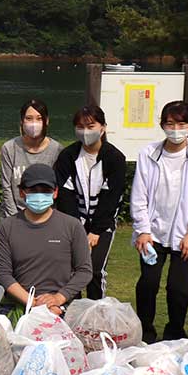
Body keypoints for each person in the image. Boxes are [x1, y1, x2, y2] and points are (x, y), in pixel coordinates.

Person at [130, 100, 188, 341]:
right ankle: (145, 332)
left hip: (186, 235)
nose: (176, 129)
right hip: (153, 232)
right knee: (148, 283)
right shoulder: (148, 153)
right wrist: (143, 230)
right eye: (170, 124)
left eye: (181, 123)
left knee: (177, 288)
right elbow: (139, 195)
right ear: (162, 125)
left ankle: (175, 334)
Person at [0, 164, 93, 317]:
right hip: (19, 305)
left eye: (46, 191)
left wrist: (58, 299)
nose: (39, 195)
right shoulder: (6, 227)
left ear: (55, 192)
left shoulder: (72, 226)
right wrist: (34, 304)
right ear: (21, 192)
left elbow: (84, 271)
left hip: (62, 306)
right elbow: (3, 274)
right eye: (33, 190)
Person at [54, 105, 127, 299]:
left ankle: (96, 311)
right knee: (71, 270)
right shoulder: (67, 156)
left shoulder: (115, 158)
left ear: (102, 127)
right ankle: (71, 311)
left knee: (94, 270)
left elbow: (111, 198)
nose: (85, 131)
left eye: (90, 125)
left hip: (102, 226)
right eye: (80, 126)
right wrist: (77, 229)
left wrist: (95, 231)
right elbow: (65, 195)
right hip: (73, 224)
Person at [0, 99, 63, 218]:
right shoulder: (9, 148)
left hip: (47, 215)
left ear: (46, 121)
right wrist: (14, 219)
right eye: (29, 118)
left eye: (39, 118)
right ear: (21, 121)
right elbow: (6, 187)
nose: (34, 123)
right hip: (16, 214)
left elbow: (58, 189)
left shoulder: (57, 150)